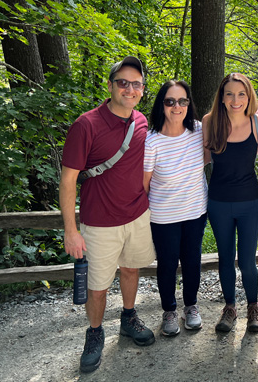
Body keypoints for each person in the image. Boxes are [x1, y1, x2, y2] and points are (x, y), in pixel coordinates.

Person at [60, 56, 156, 373]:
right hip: (99, 222)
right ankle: (95, 333)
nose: (129, 89)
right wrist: (71, 230)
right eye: (123, 82)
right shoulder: (86, 125)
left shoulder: (142, 122)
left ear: (143, 89)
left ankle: (128, 317)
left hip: (137, 216)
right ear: (111, 85)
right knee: (98, 285)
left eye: (136, 84)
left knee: (130, 270)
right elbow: (68, 180)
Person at [202, 73, 258, 333]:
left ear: (249, 95)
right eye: (229, 93)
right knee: (225, 258)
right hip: (218, 203)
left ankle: (253, 307)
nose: (235, 99)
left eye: (241, 93)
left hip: (250, 202)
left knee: (248, 261)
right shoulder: (210, 122)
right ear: (222, 97)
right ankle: (230, 308)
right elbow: (199, 160)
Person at [143, 80, 208, 336]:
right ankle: (169, 310)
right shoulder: (152, 141)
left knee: (192, 261)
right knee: (167, 265)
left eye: (182, 101)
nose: (177, 106)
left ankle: (191, 306)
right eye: (170, 101)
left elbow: (212, 157)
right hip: (163, 216)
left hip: (195, 212)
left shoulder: (200, 132)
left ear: (189, 104)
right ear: (162, 105)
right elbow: (144, 184)